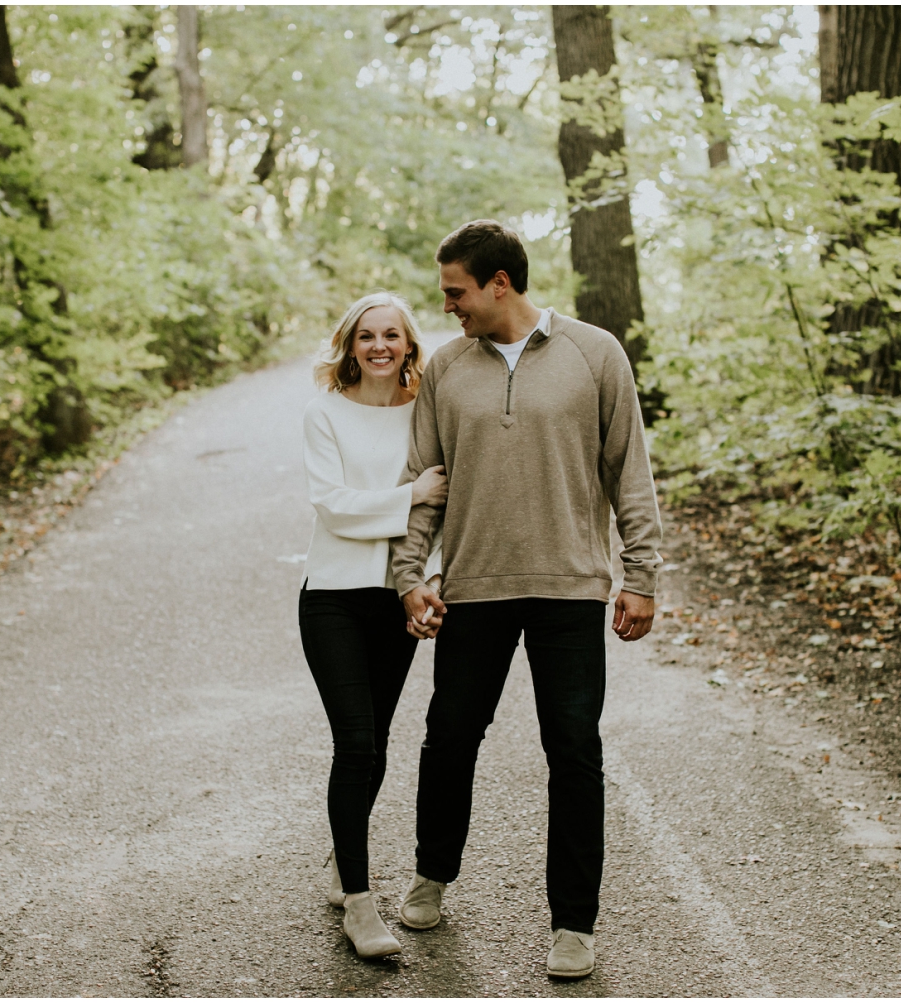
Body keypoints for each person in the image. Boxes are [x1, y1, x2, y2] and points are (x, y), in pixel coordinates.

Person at [390, 220, 662, 979]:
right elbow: (423, 483)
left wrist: (640, 574)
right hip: (474, 585)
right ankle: (431, 874)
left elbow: (628, 472)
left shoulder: (594, 352)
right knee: (448, 737)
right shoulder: (446, 369)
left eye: (456, 291)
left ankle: (574, 921)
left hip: (570, 587)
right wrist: (410, 576)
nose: (447, 306)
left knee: (574, 749)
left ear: (499, 283)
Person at [299, 292, 444, 959]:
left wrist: (428, 580)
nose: (380, 346)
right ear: (350, 344)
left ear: (409, 345)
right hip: (332, 595)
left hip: (396, 598)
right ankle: (359, 904)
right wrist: (409, 495)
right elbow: (334, 507)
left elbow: (446, 512)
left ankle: (343, 851)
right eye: (367, 336)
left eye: (392, 335)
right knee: (354, 742)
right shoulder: (325, 411)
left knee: (378, 739)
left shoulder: (426, 414)